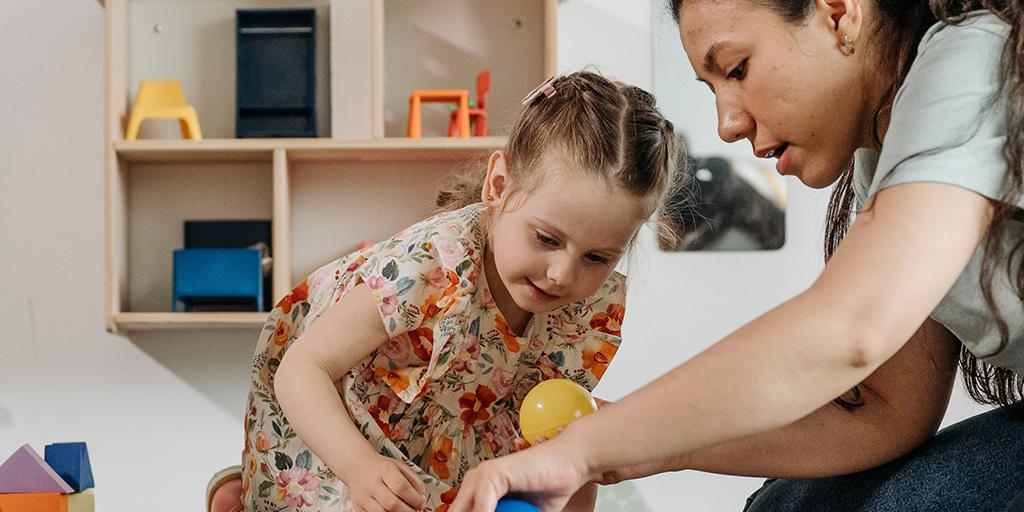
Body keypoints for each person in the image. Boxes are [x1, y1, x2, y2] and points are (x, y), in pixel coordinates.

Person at [449, 1, 1024, 511]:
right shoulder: (884, 161)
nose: (727, 124)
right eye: (712, 88)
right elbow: (886, 412)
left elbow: (850, 331)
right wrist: (625, 446)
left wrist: (583, 449)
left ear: (838, 11)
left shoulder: (969, 60)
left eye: (737, 69)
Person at [238, 71, 677, 512]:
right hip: (336, 438)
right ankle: (235, 493)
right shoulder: (432, 265)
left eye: (598, 258)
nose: (563, 274)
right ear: (499, 186)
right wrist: (358, 466)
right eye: (546, 239)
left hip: (448, 453)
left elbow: (572, 442)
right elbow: (301, 368)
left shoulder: (589, 306)